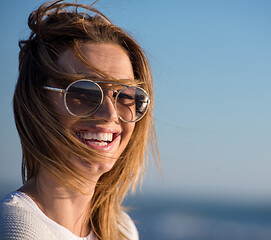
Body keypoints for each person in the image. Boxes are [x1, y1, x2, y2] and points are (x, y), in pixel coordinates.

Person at [0, 1, 159, 239]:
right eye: (83, 92)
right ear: (37, 102)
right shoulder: (19, 229)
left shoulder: (122, 229)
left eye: (125, 95)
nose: (110, 113)